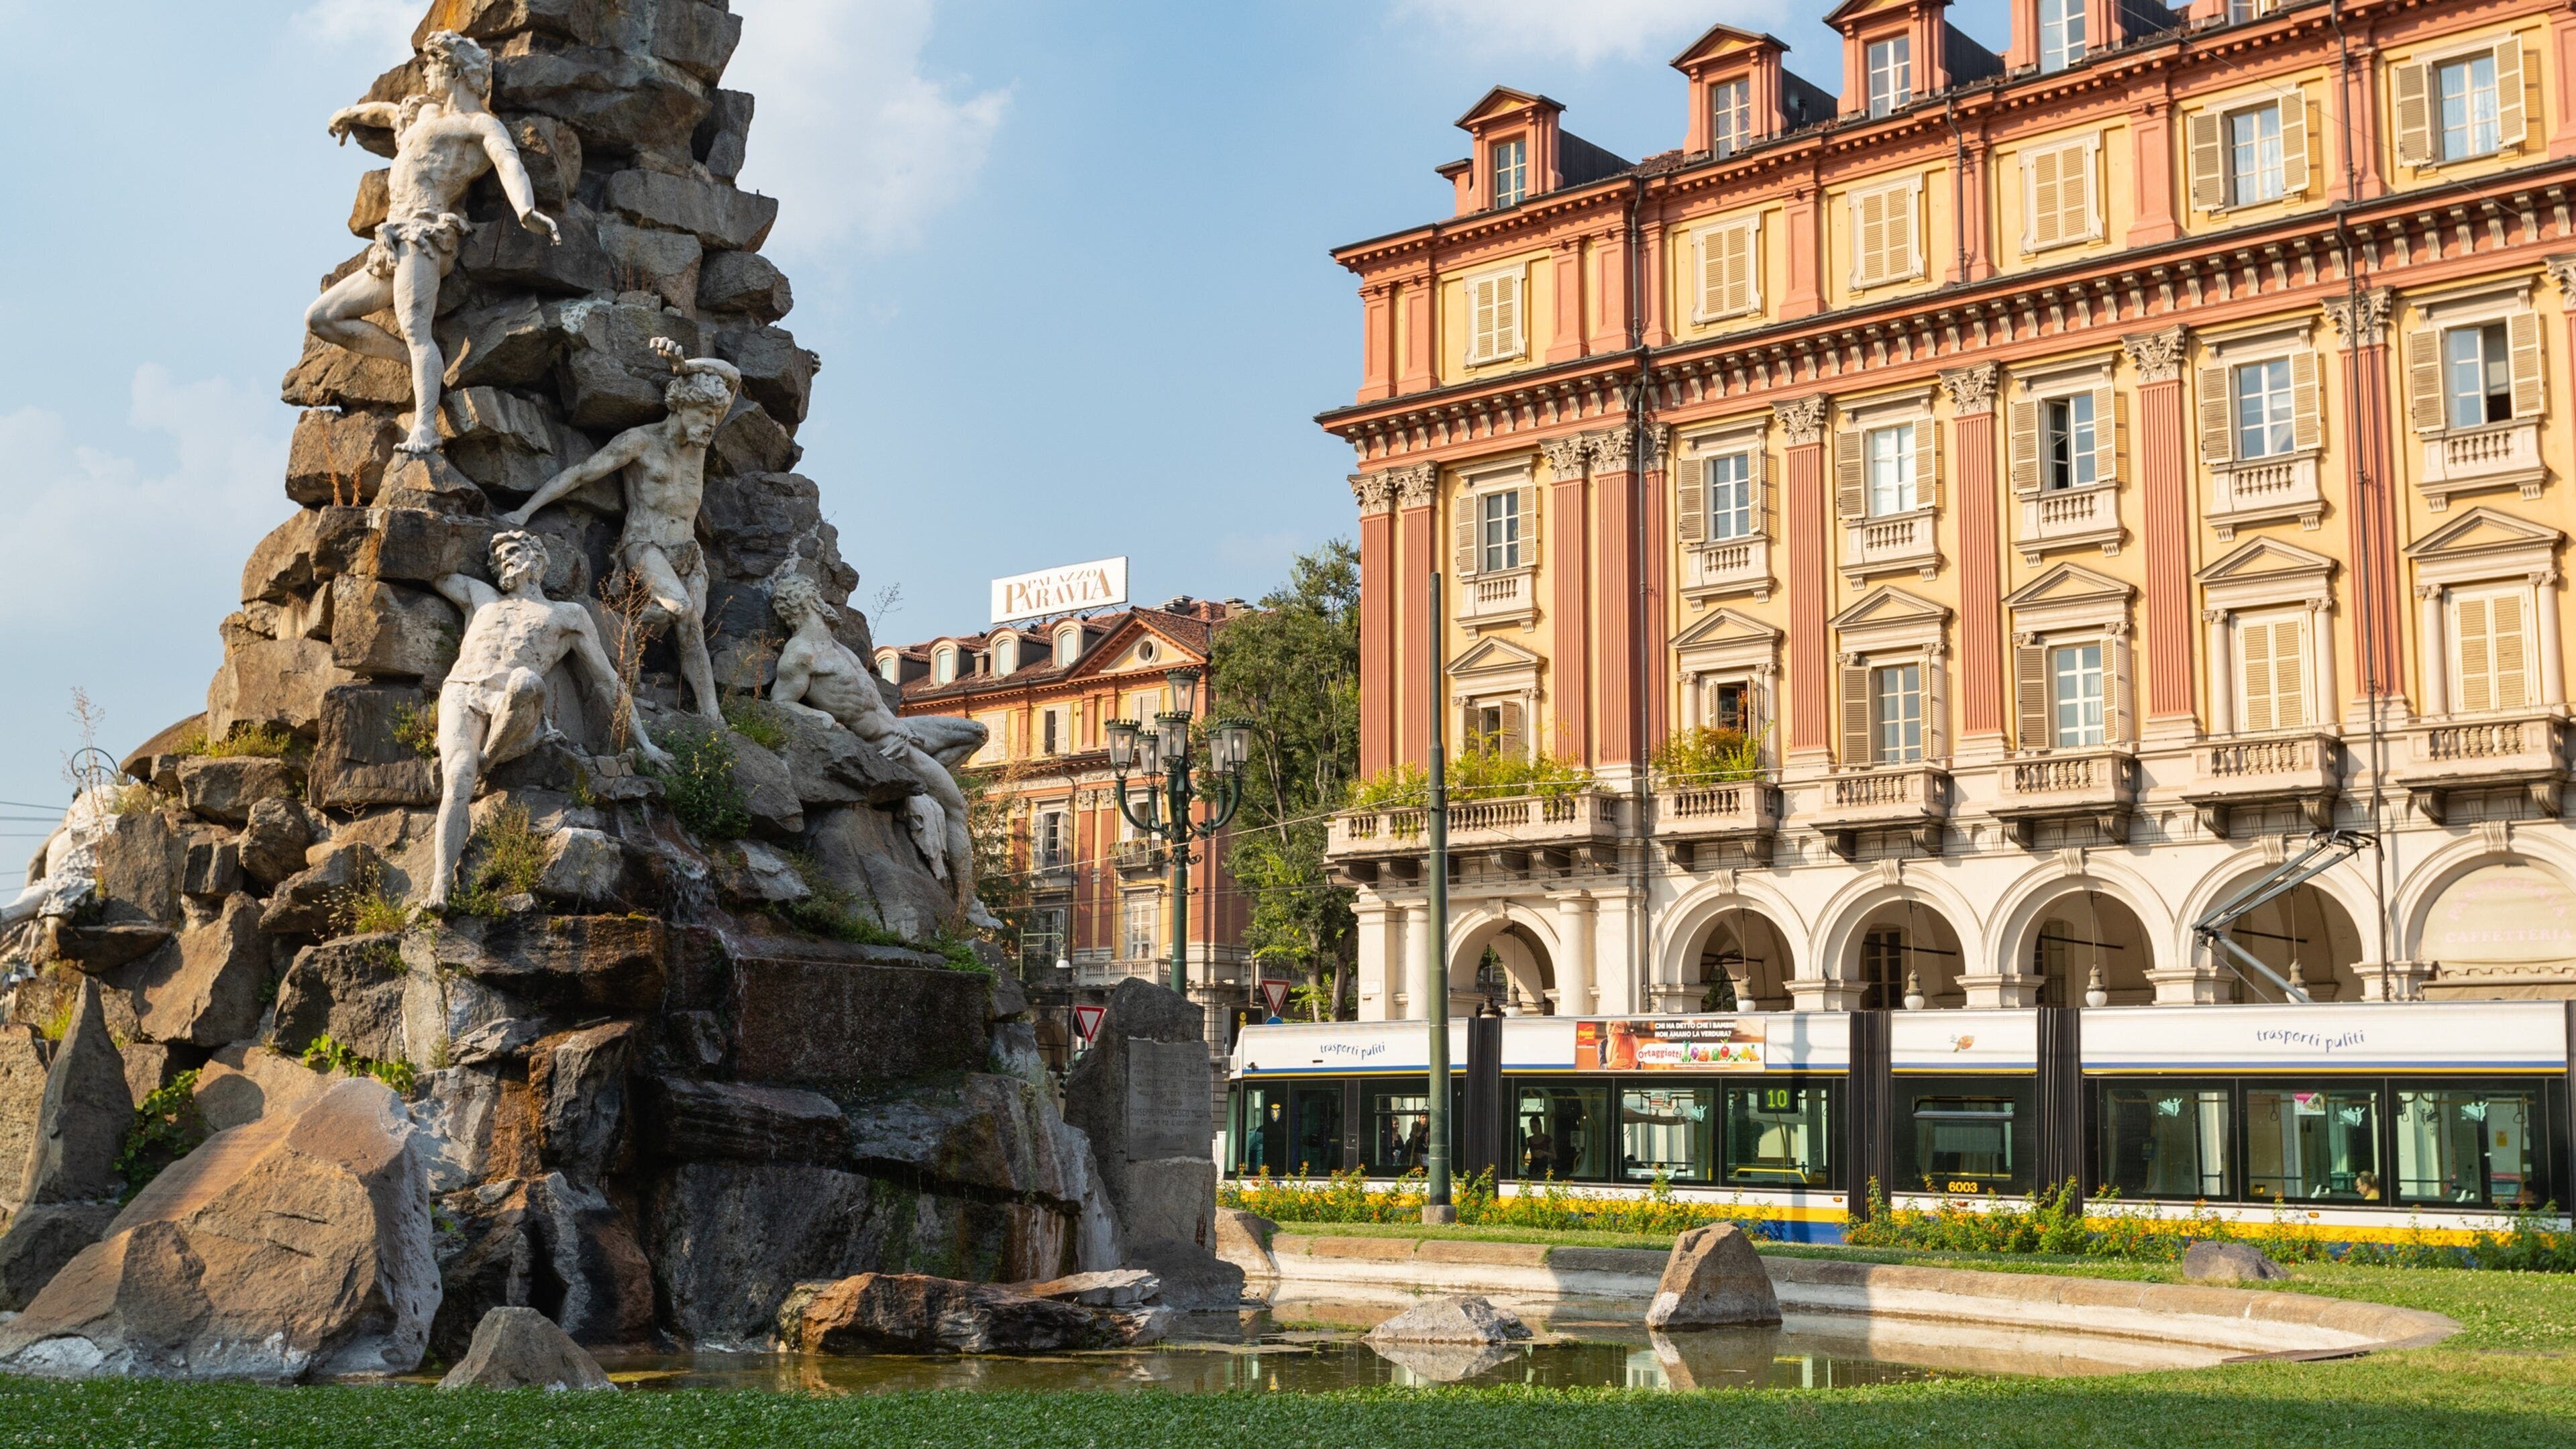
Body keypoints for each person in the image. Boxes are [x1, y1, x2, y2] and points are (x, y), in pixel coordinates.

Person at [308, 32, 558, 457]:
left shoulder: (478, 124)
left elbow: (507, 160)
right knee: (322, 318)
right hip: (389, 241)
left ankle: (425, 428)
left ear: (456, 70)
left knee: (416, 328)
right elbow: (389, 114)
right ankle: (413, 361)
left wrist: (525, 210)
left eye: (432, 66)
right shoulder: (424, 114)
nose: (425, 74)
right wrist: (350, 113)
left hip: (425, 236)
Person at [501, 339, 740, 722]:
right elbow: (582, 473)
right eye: (706, 413)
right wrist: (525, 511)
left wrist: (686, 365)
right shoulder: (640, 442)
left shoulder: (699, 444)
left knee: (690, 624)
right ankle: (636, 638)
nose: (713, 422)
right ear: (681, 406)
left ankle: (712, 714)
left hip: (688, 550)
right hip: (646, 545)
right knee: (680, 609)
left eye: (716, 414)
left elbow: (735, 377)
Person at [425, 533, 667, 909]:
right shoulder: (480, 596)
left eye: (514, 551)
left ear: (538, 560)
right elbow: (435, 572)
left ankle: (487, 758)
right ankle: (440, 887)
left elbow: (606, 680)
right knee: (456, 781)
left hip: (514, 707)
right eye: (499, 556)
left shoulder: (566, 615)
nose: (505, 559)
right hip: (462, 691)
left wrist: (644, 742)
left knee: (525, 681)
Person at [765, 570, 996, 928]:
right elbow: (779, 703)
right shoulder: (802, 653)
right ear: (810, 602)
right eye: (821, 598)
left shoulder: (837, 647)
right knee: (956, 807)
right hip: (887, 746)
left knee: (975, 732)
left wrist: (902, 730)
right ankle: (969, 903)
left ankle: (920, 786)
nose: (828, 603)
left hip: (901, 730)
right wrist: (824, 721)